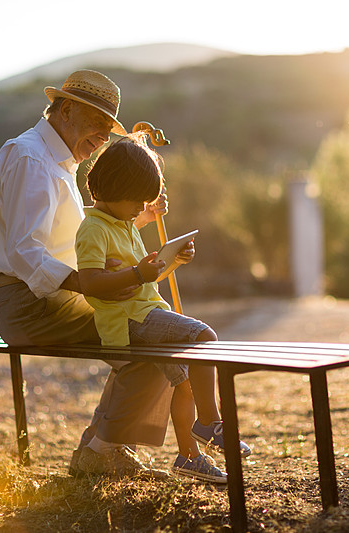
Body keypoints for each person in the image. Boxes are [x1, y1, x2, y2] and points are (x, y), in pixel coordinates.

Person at [0, 69, 173, 477]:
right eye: (100, 125)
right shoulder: (30, 157)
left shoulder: (55, 160)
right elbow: (25, 251)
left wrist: (134, 216)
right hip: (29, 305)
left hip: (48, 299)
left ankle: (102, 448)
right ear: (66, 110)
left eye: (109, 129)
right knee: (152, 336)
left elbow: (74, 239)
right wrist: (85, 283)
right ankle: (101, 451)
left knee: (152, 332)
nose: (105, 138)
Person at [75, 134, 251, 483]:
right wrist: (140, 272)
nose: (142, 208)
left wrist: (171, 263)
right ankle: (209, 421)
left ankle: (188, 455)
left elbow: (142, 279)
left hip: (143, 312)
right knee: (203, 335)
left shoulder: (123, 225)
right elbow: (90, 284)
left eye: (145, 201)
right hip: (128, 320)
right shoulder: (93, 229)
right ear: (110, 189)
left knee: (183, 381)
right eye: (136, 200)